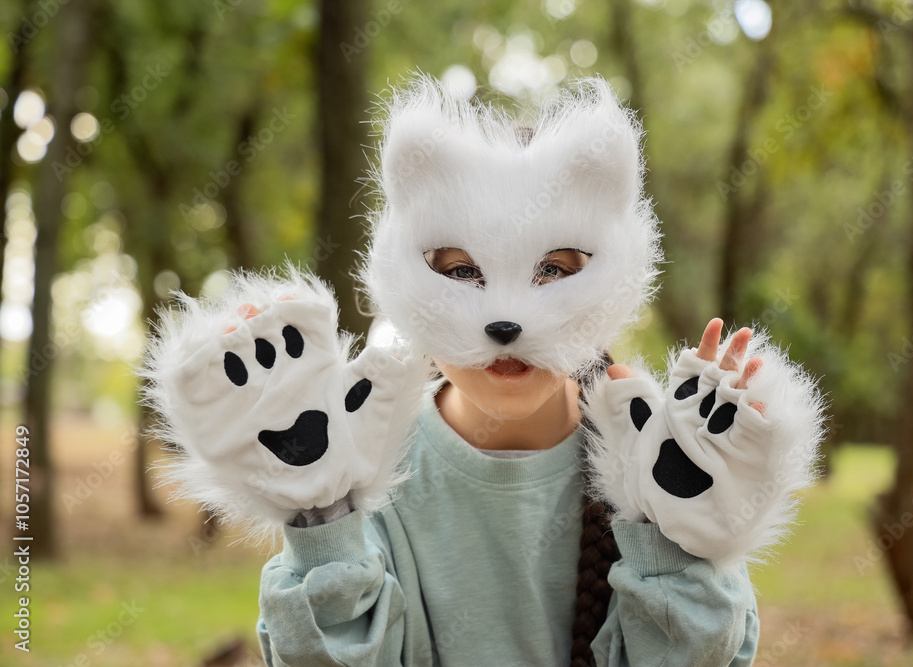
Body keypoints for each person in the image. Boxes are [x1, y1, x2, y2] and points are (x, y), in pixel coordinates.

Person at [142, 76, 824, 666]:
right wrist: (320, 518)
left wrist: (683, 541)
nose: (506, 317)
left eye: (553, 270)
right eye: (461, 271)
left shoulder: (656, 467)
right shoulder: (361, 458)